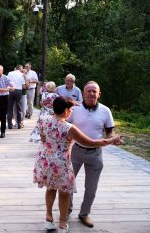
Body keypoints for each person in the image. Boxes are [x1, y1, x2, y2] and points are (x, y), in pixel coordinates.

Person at [33, 96, 121, 233]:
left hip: (45, 161)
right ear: (66, 110)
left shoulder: (44, 120)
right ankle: (62, 225)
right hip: (61, 164)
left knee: (50, 188)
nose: (72, 111)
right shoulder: (68, 128)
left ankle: (48, 219)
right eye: (71, 109)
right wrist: (111, 140)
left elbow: (41, 134)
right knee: (64, 193)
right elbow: (90, 142)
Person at [68, 81, 123, 228]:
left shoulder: (105, 111)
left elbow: (110, 131)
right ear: (83, 93)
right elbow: (64, 126)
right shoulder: (74, 109)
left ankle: (84, 214)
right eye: (89, 91)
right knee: (68, 183)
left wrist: (113, 139)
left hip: (96, 154)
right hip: (76, 151)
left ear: (99, 94)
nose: (92, 93)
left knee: (91, 189)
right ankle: (66, 210)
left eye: (94, 91)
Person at [0, 65, 13, 138]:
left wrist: (10, 88)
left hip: (4, 97)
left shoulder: (6, 78)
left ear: (2, 71)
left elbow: (12, 86)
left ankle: (3, 131)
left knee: (3, 115)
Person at [7, 65, 26, 129]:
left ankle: (10, 125)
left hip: (11, 90)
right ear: (21, 69)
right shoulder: (22, 74)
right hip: (18, 91)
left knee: (10, 108)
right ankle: (19, 124)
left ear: (16, 68)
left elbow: (7, 82)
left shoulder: (10, 73)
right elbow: (23, 86)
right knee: (18, 108)